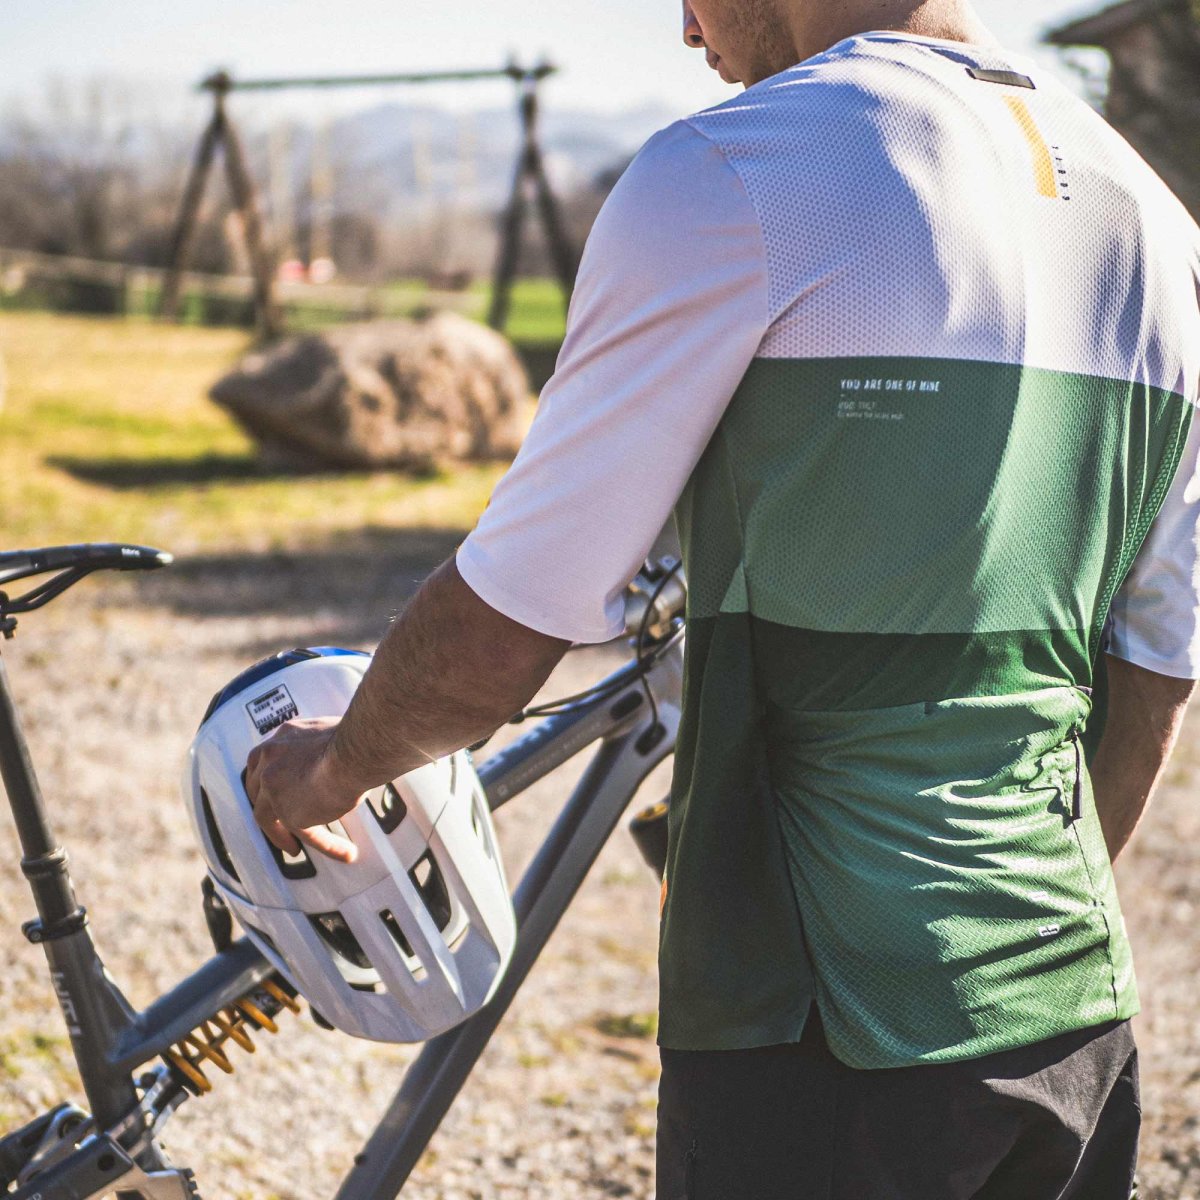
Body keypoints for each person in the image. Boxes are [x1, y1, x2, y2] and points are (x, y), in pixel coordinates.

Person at [245, 0, 1200, 1194]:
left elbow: (501, 629)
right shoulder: (1156, 222)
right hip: (1070, 1019)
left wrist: (334, 766)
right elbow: (1155, 673)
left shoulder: (742, 168)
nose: (688, 34)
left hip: (820, 1035)